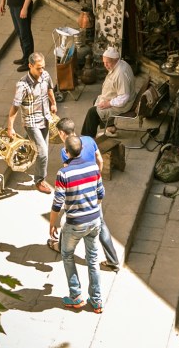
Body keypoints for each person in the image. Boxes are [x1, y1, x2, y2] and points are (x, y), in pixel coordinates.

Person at [54, 117, 120, 272]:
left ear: (63, 134)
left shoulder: (66, 151)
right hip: (94, 188)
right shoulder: (89, 140)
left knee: (68, 219)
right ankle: (113, 260)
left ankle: (60, 246)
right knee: (101, 222)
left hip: (78, 192)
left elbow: (69, 171)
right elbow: (99, 159)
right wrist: (98, 176)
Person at [50, 135, 105, 313]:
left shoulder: (63, 173)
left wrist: (52, 224)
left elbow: (57, 203)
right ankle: (96, 301)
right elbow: (100, 194)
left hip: (75, 223)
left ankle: (75, 296)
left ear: (66, 152)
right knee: (93, 259)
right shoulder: (94, 167)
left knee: (67, 255)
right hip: (94, 220)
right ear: (81, 149)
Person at [7, 52, 56, 194]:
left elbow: (49, 89)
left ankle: (31, 157)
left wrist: (53, 103)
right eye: (38, 68)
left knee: (43, 148)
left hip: (45, 118)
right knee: (43, 153)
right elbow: (14, 107)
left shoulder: (45, 75)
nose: (42, 71)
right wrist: (10, 127)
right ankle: (39, 180)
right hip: (31, 122)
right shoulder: (22, 85)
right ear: (30, 66)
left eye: (43, 67)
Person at [81, 46, 136, 138]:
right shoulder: (121, 63)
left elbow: (123, 98)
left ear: (115, 60)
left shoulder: (120, 74)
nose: (105, 65)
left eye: (108, 63)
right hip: (122, 98)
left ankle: (87, 139)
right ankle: (110, 128)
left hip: (124, 104)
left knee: (92, 112)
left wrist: (109, 103)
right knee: (97, 100)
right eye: (104, 62)